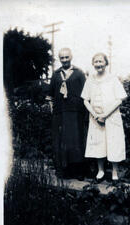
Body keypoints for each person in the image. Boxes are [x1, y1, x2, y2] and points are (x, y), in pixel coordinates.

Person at [81, 53, 127, 182]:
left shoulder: (112, 79)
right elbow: (85, 100)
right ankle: (100, 171)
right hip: (96, 119)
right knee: (98, 144)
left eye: (101, 61)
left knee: (114, 143)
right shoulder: (90, 79)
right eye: (96, 61)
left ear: (106, 63)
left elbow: (120, 100)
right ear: (93, 64)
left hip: (112, 117)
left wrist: (105, 114)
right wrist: (95, 115)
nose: (98, 64)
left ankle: (114, 172)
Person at [49, 48, 87, 179]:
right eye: (62, 58)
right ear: (60, 59)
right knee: (61, 141)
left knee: (76, 141)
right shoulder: (55, 74)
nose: (64, 60)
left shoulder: (79, 73)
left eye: (66, 57)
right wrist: (52, 110)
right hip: (60, 112)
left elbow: (86, 94)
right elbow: (50, 95)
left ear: (71, 57)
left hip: (76, 112)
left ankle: (78, 171)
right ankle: (63, 170)